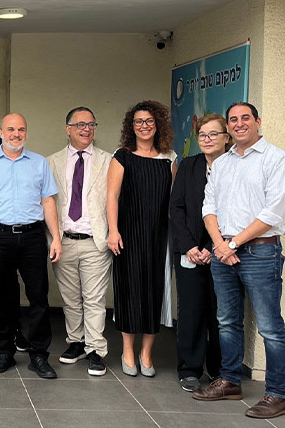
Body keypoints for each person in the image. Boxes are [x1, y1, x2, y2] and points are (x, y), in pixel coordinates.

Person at [193, 102, 285, 420]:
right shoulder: (222, 163)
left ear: (257, 122)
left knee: (270, 327)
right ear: (228, 127)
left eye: (245, 118)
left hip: (260, 252)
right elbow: (208, 206)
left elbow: (272, 213)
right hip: (223, 251)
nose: (239, 124)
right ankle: (230, 381)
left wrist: (232, 244)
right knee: (227, 321)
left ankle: (277, 395)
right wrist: (220, 244)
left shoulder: (276, 159)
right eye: (233, 119)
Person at [0, 113, 61, 377]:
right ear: (1, 132)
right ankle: (4, 352)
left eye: (21, 129)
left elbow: (48, 202)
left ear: (26, 132)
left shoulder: (39, 163)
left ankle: (39, 355)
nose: (16, 134)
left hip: (33, 236)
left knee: (39, 297)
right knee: (0, 297)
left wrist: (56, 238)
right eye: (10, 129)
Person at [106, 100, 176, 378]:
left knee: (153, 293)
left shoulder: (169, 158)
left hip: (159, 237)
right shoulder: (122, 156)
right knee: (129, 292)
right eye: (138, 121)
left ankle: (146, 354)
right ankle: (127, 351)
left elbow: (173, 201)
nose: (144, 126)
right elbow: (112, 196)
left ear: (157, 124)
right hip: (128, 235)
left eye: (149, 121)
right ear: (131, 126)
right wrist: (113, 230)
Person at [46, 107, 112, 377]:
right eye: (81, 124)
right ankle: (76, 342)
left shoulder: (108, 161)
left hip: (95, 241)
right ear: (68, 128)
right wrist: (52, 238)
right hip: (63, 240)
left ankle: (96, 349)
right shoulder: (51, 162)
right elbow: (47, 201)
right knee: (71, 298)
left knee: (94, 299)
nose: (86, 129)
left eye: (91, 124)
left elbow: (115, 200)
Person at [169, 113, 228, 392]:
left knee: (220, 312)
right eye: (202, 134)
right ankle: (189, 369)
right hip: (189, 251)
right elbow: (176, 207)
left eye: (213, 134)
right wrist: (190, 246)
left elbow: (234, 211)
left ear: (226, 137)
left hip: (223, 250)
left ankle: (219, 369)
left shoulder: (234, 167)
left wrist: (210, 246)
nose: (207, 139)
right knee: (191, 310)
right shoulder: (189, 165)